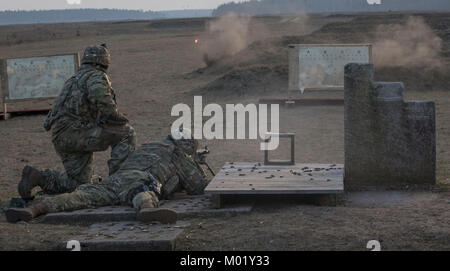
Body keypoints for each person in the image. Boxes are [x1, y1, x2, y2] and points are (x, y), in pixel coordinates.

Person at [5, 129, 210, 224]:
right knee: (143, 192)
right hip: (139, 181)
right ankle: (147, 211)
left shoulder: (149, 147)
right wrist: (196, 167)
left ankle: (34, 210)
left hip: (115, 180)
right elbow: (198, 187)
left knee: (80, 196)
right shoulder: (178, 154)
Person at [18, 44, 136, 199]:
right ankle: (119, 184)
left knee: (79, 185)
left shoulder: (73, 79)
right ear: (104, 62)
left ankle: (38, 177)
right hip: (76, 133)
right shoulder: (96, 76)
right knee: (126, 133)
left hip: (62, 136)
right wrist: (118, 119)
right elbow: (102, 100)